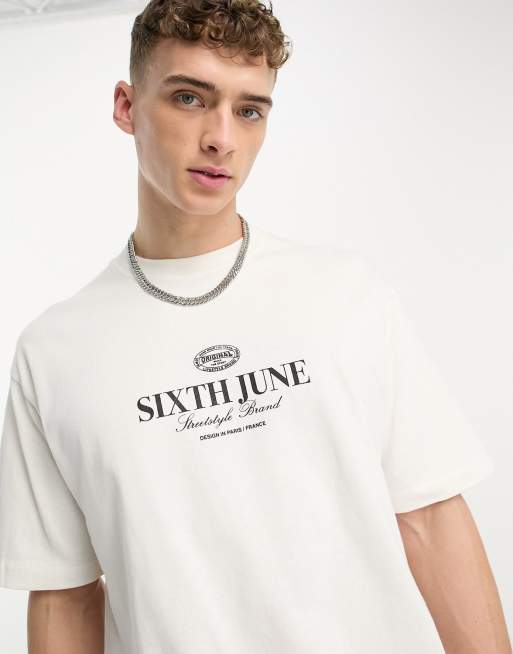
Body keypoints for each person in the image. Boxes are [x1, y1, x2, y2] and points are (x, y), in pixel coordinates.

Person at [0, 1, 510, 652]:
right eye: (189, 98)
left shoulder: (345, 296)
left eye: (248, 110)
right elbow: (66, 592)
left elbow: (430, 519)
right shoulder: (55, 354)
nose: (221, 138)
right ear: (127, 107)